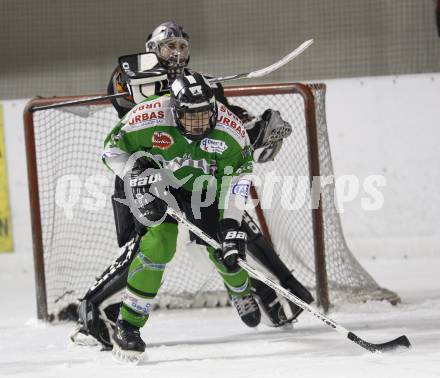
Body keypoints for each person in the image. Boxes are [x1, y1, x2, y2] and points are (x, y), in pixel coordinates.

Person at [72, 21, 313, 350]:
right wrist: (136, 172)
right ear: (152, 50)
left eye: (182, 46)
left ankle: (269, 290)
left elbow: (230, 138)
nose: (177, 52)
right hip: (147, 175)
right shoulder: (136, 84)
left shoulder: (208, 93)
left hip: (194, 174)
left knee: (228, 234)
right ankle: (101, 311)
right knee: (149, 248)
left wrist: (256, 126)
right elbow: (118, 139)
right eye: (169, 46)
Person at [104, 72, 260, 360]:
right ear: (175, 111)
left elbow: (237, 180)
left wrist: (230, 224)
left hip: (204, 187)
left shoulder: (230, 130)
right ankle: (128, 326)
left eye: (205, 114)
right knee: (159, 244)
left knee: (224, 249)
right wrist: (134, 174)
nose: (200, 123)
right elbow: (112, 148)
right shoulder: (148, 116)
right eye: (191, 116)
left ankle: (241, 291)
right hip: (155, 183)